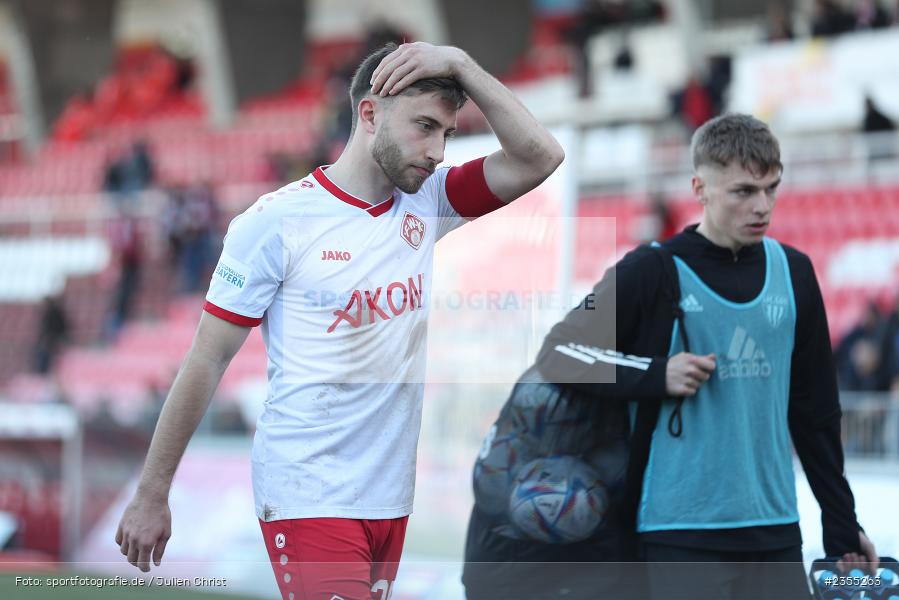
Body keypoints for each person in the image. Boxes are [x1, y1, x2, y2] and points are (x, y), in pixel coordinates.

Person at [114, 41, 564, 600]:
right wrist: (153, 492)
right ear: (370, 115)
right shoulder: (276, 221)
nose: (437, 151)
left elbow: (540, 156)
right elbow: (207, 358)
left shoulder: (430, 201)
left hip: (389, 497)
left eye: (446, 133)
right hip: (309, 491)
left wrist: (462, 65)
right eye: (424, 126)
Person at [464, 114, 878, 600]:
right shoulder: (649, 270)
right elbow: (558, 352)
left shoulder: (795, 273)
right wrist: (655, 374)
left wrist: (841, 522)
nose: (762, 206)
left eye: (771, 188)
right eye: (743, 191)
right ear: (699, 187)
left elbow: (816, 414)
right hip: (676, 534)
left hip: (777, 528)